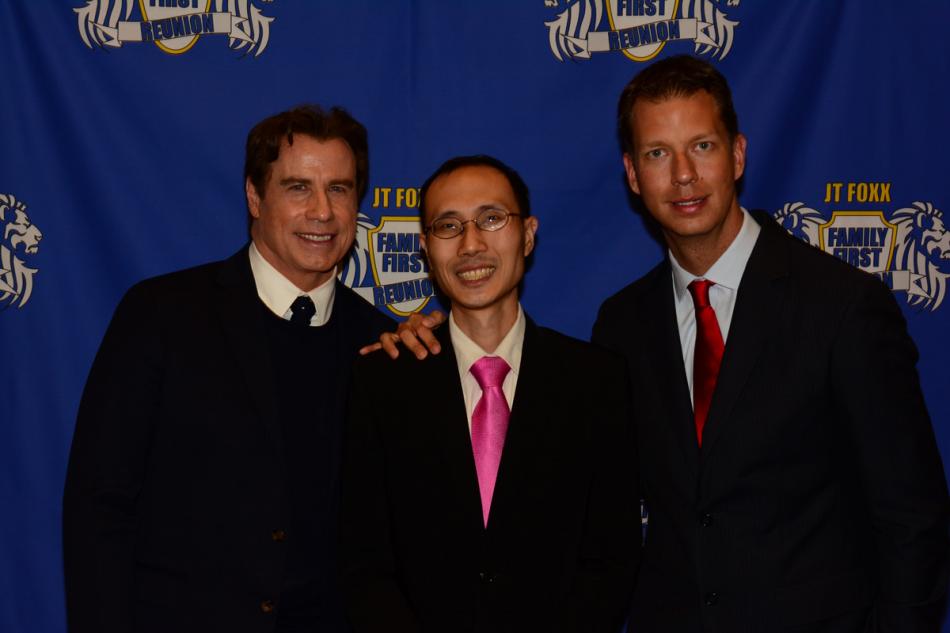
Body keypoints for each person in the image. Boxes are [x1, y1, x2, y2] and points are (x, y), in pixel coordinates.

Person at [372, 57, 950, 632]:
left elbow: (912, 517)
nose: (682, 175)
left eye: (701, 146)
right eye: (657, 154)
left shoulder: (842, 306)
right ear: (632, 174)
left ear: (738, 155)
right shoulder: (623, 325)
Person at [63, 105, 393, 633]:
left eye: (339, 189)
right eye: (298, 188)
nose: (322, 211)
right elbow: (100, 507)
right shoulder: (162, 316)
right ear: (255, 197)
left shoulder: (381, 343)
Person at [340, 155, 639, 632]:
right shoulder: (384, 381)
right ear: (425, 249)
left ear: (528, 234)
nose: (471, 244)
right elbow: (363, 560)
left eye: (492, 219)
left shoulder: (596, 381)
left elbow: (611, 557)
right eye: (448, 226)